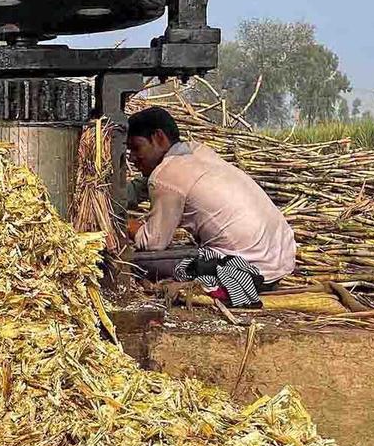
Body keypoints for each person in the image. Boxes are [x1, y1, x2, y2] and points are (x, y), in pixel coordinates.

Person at [124, 106, 296, 308]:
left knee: (138, 261)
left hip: (248, 269)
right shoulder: (197, 151)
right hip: (281, 262)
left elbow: (152, 243)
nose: (132, 158)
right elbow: (142, 187)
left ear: (159, 138)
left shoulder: (166, 174)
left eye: (136, 148)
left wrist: (122, 223)